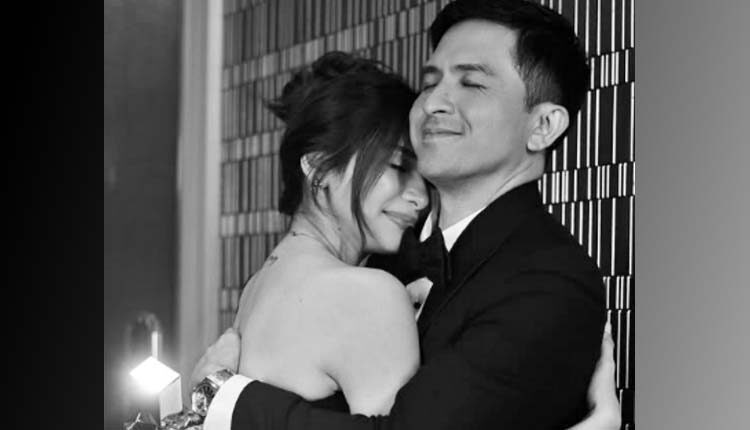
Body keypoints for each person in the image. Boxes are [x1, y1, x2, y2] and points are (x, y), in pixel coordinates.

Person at [192, 0, 622, 428]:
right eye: (430, 82)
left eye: (472, 83)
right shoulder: (385, 258)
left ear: (543, 126)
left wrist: (225, 398)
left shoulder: (550, 283)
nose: (434, 102)